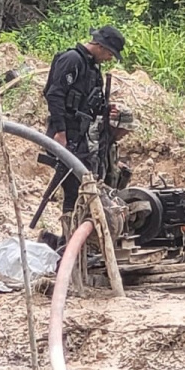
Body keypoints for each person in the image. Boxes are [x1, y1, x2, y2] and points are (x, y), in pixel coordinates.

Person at [42, 25, 125, 238]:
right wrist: (60, 133)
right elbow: (54, 95)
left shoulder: (92, 69)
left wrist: (107, 109)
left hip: (83, 138)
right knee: (73, 189)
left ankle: (78, 238)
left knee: (86, 186)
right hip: (67, 136)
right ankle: (69, 240)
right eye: (108, 53)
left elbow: (90, 104)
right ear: (99, 45)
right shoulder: (72, 60)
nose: (108, 58)